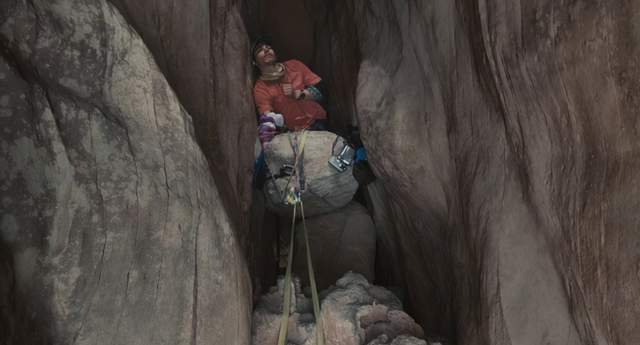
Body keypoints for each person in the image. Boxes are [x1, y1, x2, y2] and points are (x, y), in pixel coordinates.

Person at [252, 38, 327, 144]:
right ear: (254, 62)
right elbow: (267, 118)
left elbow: (322, 89)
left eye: (268, 47)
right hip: (293, 134)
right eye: (259, 50)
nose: (266, 50)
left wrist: (300, 94)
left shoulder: (294, 65)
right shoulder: (260, 88)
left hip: (317, 122)